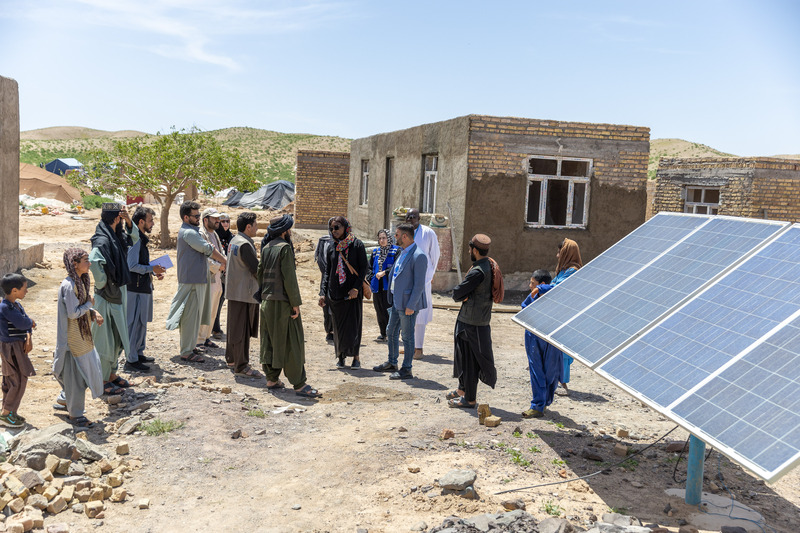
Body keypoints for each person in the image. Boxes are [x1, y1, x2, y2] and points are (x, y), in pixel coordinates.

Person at [258, 214, 321, 398]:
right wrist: (295, 304)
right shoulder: (284, 248)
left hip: (266, 302)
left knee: (269, 340)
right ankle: (299, 384)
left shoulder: (266, 247)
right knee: (292, 342)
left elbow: (259, 274)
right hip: (283, 303)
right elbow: (289, 279)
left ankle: (271, 379)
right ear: (284, 231)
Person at [166, 201, 227, 363]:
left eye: (199, 215)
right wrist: (225, 261)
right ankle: (186, 351)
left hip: (198, 280)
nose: (198, 218)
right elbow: (208, 249)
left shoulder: (193, 231)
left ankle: (191, 346)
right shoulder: (189, 233)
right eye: (195, 216)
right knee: (190, 317)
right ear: (186, 217)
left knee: (196, 317)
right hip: (191, 281)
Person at [54, 249, 105, 428]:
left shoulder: (80, 281)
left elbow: (80, 308)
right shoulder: (69, 285)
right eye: (85, 260)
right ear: (74, 264)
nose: (89, 264)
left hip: (82, 338)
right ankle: (75, 415)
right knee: (75, 377)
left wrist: (92, 312)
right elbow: (73, 313)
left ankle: (65, 400)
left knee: (81, 375)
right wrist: (90, 304)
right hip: (72, 341)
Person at [372, 223, 427, 380]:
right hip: (397, 301)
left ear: (405, 236)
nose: (394, 237)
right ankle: (392, 362)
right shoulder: (403, 252)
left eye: (396, 235)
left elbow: (419, 285)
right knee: (390, 331)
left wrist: (411, 305)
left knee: (407, 337)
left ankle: (407, 369)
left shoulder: (419, 255)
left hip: (408, 304)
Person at [447, 234, 497, 408]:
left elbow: (457, 293)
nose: (469, 252)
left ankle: (469, 399)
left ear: (475, 250)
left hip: (471, 323)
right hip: (477, 320)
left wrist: (463, 294)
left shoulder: (478, 271)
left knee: (469, 361)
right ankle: (462, 389)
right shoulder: (489, 264)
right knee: (465, 358)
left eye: (469, 249)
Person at [90, 202, 135, 394]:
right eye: (122, 217)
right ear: (117, 218)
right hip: (107, 296)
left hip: (117, 292)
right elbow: (93, 260)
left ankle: (111, 374)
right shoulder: (102, 239)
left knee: (117, 335)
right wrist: (102, 283)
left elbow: (133, 239)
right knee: (104, 338)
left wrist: (129, 221)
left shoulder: (115, 235)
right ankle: (101, 379)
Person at [318, 216, 368, 369]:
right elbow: (327, 272)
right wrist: (322, 292)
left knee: (353, 326)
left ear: (345, 227)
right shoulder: (332, 247)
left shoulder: (357, 245)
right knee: (338, 327)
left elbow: (363, 268)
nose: (334, 231)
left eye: (337, 227)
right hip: (335, 294)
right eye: (332, 228)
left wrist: (356, 288)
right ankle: (341, 356)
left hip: (352, 294)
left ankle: (356, 357)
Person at [126, 206, 165, 372]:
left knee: (141, 322)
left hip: (142, 287)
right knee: (133, 323)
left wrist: (154, 271)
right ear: (141, 222)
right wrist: (151, 269)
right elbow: (132, 266)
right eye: (150, 220)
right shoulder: (135, 240)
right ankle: (131, 359)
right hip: (134, 288)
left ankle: (138, 353)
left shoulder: (141, 239)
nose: (153, 224)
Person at [225, 212, 262, 376]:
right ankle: (241, 366)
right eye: (255, 225)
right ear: (248, 227)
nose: (257, 228)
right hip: (244, 293)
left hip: (235, 291)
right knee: (242, 330)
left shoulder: (235, 240)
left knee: (234, 327)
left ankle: (232, 359)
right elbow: (256, 269)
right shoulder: (245, 245)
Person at [0, 273, 36, 428]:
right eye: (24, 288)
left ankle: (11, 411)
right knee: (15, 380)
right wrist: (30, 323)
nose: (26, 291)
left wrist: (28, 334)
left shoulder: (16, 306)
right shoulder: (5, 307)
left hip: (17, 347)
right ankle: (6, 414)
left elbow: (25, 323)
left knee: (19, 379)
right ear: (14, 290)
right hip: (11, 348)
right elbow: (24, 323)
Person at [521, 269, 557, 418]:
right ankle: (537, 405)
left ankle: (544, 402)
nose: (530, 286)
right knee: (537, 371)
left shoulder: (555, 295)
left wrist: (540, 289)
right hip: (534, 337)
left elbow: (556, 288)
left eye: (533, 283)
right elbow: (524, 309)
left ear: (541, 283)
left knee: (550, 372)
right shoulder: (532, 297)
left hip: (550, 338)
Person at [404, 208, 440, 360]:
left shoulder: (428, 233)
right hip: (406, 280)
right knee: (406, 312)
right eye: (408, 216)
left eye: (413, 216)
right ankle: (410, 346)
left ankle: (419, 348)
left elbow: (435, 255)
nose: (410, 219)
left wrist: (430, 274)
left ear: (419, 218)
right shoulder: (403, 233)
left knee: (420, 314)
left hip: (422, 279)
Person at [552, 238, 582, 395]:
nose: (558, 256)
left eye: (560, 252)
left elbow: (557, 288)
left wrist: (542, 288)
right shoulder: (564, 270)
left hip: (567, 316)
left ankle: (562, 382)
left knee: (562, 350)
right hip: (559, 314)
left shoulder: (573, 271)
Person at [197, 208, 225, 351]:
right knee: (205, 310)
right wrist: (219, 266)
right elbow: (203, 258)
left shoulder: (214, 234)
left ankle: (206, 337)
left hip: (217, 277)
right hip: (208, 277)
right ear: (205, 219)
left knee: (213, 309)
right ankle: (199, 340)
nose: (218, 221)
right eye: (215, 218)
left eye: (218, 218)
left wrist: (224, 263)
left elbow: (220, 252)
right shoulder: (201, 234)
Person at [367, 229, 400, 342]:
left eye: (384, 238)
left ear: (389, 238)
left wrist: (385, 272)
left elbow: (397, 267)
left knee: (389, 310)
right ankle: (383, 333)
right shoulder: (375, 252)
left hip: (389, 286)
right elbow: (369, 267)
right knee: (379, 309)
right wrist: (370, 277)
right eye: (380, 238)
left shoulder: (396, 251)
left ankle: (393, 333)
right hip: (377, 285)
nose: (382, 240)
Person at [212, 212, 233, 339]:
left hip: (227, 275)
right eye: (222, 221)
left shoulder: (231, 237)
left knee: (221, 301)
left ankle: (215, 326)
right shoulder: (215, 237)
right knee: (215, 300)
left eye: (227, 221)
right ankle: (215, 328)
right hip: (215, 272)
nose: (225, 224)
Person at [314, 229, 334, 343]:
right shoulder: (323, 241)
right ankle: (329, 331)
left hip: (338, 280)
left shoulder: (345, 243)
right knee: (326, 306)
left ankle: (336, 331)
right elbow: (320, 260)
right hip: (326, 278)